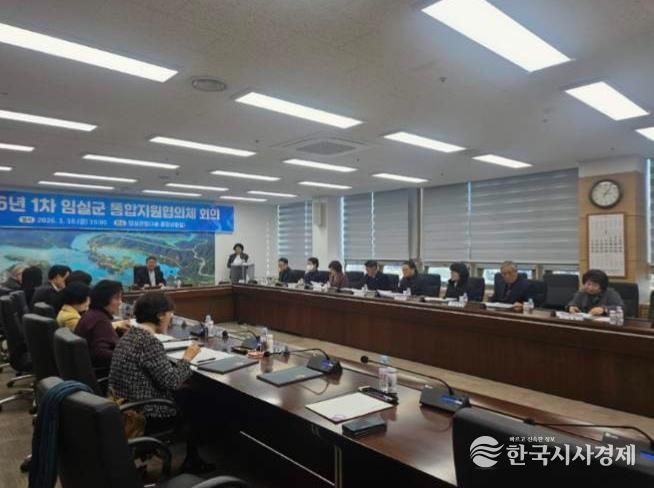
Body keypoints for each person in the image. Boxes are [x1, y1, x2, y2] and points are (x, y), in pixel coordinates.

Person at [109, 292, 214, 473]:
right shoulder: (148, 342)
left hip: (125, 408)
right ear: (160, 315)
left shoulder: (130, 334)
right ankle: (192, 460)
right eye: (170, 314)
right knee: (197, 399)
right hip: (146, 414)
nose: (170, 319)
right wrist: (187, 358)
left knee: (189, 393)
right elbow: (172, 382)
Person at [75, 280, 129, 368]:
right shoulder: (100, 320)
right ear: (104, 299)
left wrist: (118, 332)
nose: (120, 302)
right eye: (117, 298)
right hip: (103, 371)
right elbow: (101, 354)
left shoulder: (92, 314)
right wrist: (128, 355)